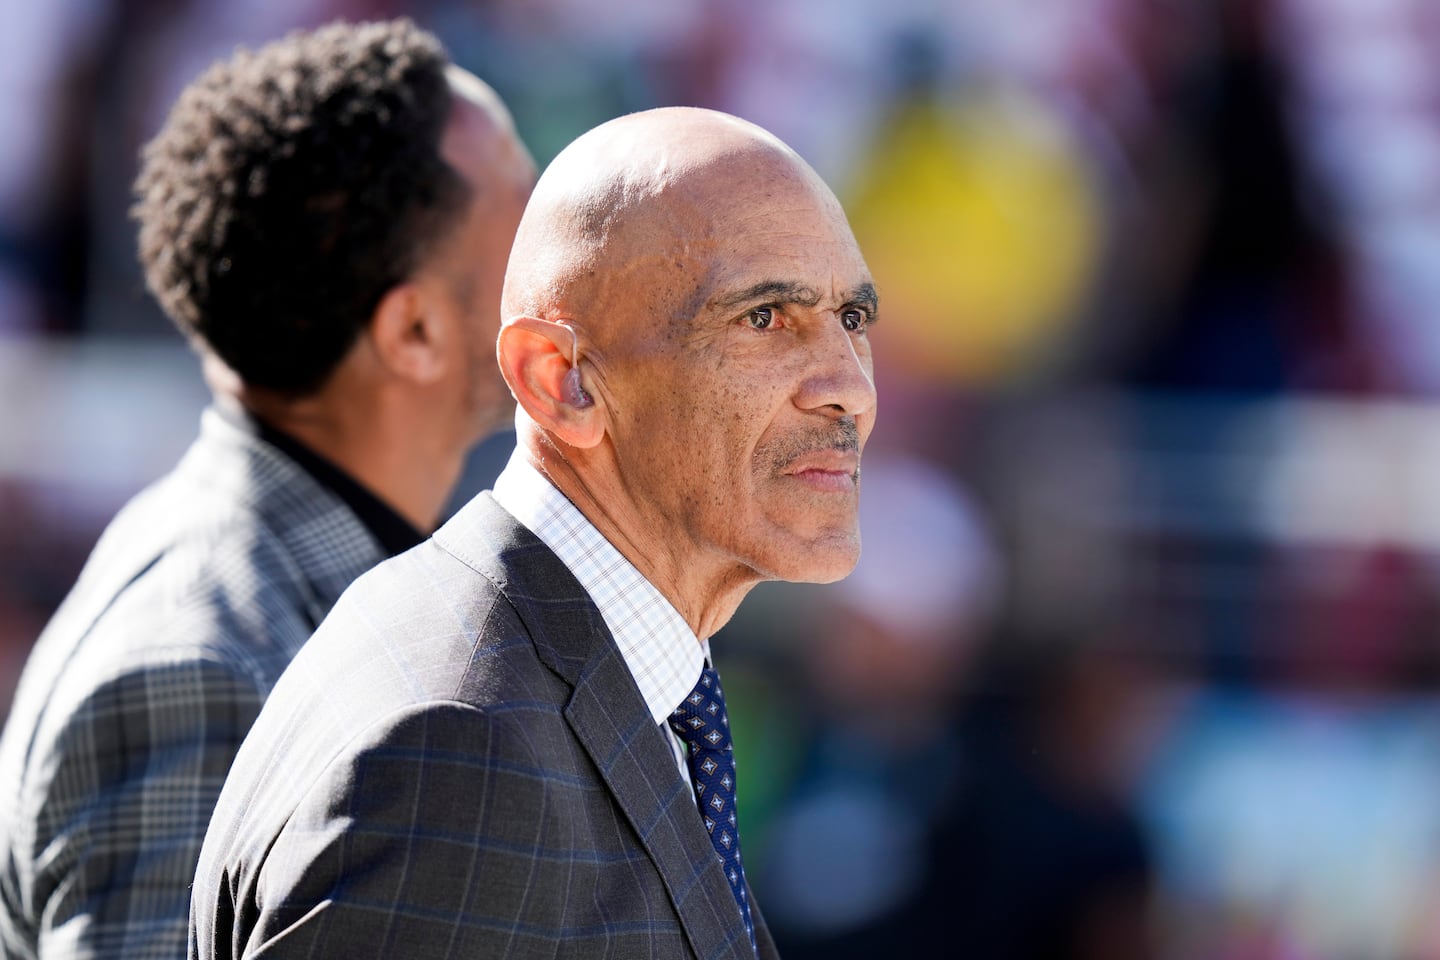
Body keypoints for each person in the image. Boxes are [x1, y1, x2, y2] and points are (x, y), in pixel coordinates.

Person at [188, 105, 878, 960]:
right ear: (561, 383)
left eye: (853, 319)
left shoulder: (556, 674)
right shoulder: (459, 752)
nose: (848, 387)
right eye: (766, 318)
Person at [0, 19, 535, 960]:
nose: (566, 270)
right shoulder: (200, 670)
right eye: (531, 230)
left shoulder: (296, 599)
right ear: (413, 332)